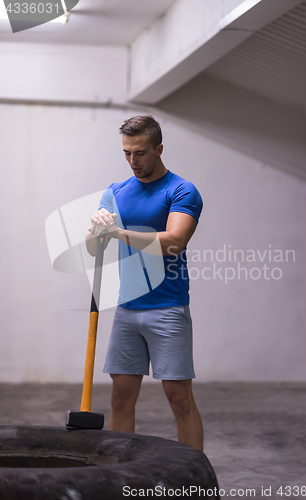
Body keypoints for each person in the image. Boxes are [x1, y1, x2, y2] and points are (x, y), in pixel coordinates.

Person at [85, 115, 204, 451]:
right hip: (127, 309)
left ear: (159, 148)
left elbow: (174, 242)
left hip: (167, 308)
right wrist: (96, 227)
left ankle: (195, 480)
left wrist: (119, 233)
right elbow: (95, 247)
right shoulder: (116, 192)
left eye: (140, 153)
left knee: (179, 399)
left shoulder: (181, 190)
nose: (133, 161)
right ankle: (124, 477)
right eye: (127, 153)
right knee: (120, 400)